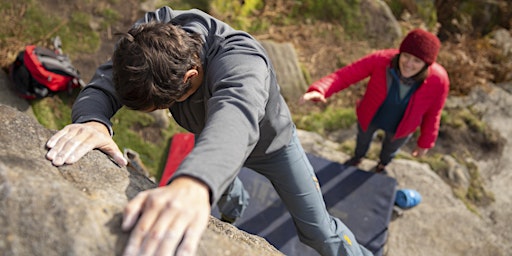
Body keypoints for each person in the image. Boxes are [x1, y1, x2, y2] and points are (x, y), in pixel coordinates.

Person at [45, 6, 372, 256]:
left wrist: (195, 183)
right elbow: (106, 79)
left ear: (189, 77)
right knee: (228, 198)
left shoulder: (244, 63)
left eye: (162, 107)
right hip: (209, 136)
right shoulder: (153, 35)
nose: (162, 112)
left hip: (273, 147)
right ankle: (231, 212)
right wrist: (93, 119)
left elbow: (235, 117)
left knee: (318, 230)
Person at [300, 28, 450, 173]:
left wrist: (424, 143)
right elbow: (345, 76)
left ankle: (382, 164)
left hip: (402, 127)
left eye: (417, 61)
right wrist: (320, 89)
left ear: (426, 65)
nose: (409, 64)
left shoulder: (439, 80)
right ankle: (358, 158)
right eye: (406, 56)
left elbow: (433, 114)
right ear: (400, 53)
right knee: (362, 141)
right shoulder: (381, 60)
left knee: (389, 150)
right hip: (371, 116)